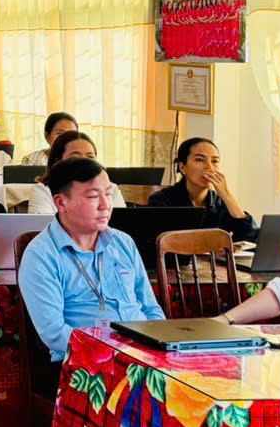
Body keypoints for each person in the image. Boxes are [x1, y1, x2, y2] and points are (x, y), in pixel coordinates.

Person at [18, 157, 164, 366]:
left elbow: (151, 309)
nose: (105, 205)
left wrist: (159, 345)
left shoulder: (123, 242)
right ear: (61, 203)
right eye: (93, 196)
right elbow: (54, 333)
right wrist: (115, 354)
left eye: (108, 194)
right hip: (85, 362)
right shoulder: (41, 255)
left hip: (142, 354)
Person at [147, 138, 258, 242]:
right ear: (182, 167)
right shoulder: (161, 201)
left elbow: (252, 239)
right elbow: (164, 243)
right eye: (199, 160)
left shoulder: (220, 202)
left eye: (215, 161)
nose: (209, 167)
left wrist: (228, 196)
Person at [27, 131, 126, 214]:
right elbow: (41, 228)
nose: (85, 163)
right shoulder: (44, 190)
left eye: (90, 157)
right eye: (75, 157)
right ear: (57, 161)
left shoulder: (111, 189)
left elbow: (121, 226)